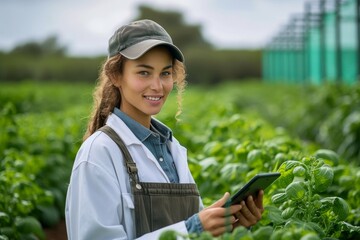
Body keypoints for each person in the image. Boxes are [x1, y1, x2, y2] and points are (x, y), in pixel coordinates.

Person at [65, 19, 264, 240]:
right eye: (144, 73)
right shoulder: (99, 153)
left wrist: (230, 227)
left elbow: (190, 229)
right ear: (116, 75)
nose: (157, 86)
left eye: (165, 73)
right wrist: (192, 229)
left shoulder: (171, 148)